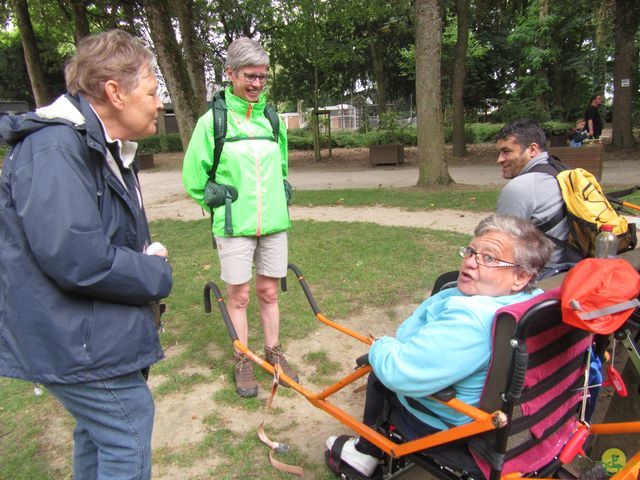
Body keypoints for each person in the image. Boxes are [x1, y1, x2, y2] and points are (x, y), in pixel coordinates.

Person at [0, 30, 173, 480]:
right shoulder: (56, 147)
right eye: (153, 92)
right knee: (127, 424)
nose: (159, 104)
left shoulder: (94, 145)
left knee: (98, 432)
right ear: (115, 92)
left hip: (83, 330)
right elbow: (77, 258)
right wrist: (155, 274)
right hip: (70, 335)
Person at [325, 214, 553, 478]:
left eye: (488, 258)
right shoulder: (534, 301)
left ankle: (365, 452)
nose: (469, 262)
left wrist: (381, 346)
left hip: (446, 426)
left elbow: (401, 371)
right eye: (470, 251)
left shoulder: (472, 320)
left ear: (521, 276)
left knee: (380, 371)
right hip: (517, 417)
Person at [182, 37, 296, 398]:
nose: (257, 84)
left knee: (269, 292)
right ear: (230, 74)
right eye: (250, 76)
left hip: (274, 224)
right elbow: (194, 178)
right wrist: (218, 200)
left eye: (263, 77)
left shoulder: (272, 119)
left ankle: (274, 353)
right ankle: (244, 359)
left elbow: (281, 169)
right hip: (233, 226)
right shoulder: (211, 122)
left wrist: (280, 193)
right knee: (240, 296)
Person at [495, 118, 580, 278]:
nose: (499, 159)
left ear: (532, 150)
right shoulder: (559, 171)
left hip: (543, 277)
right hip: (571, 268)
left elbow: (499, 248)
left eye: (506, 151)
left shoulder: (521, 186)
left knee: (447, 282)